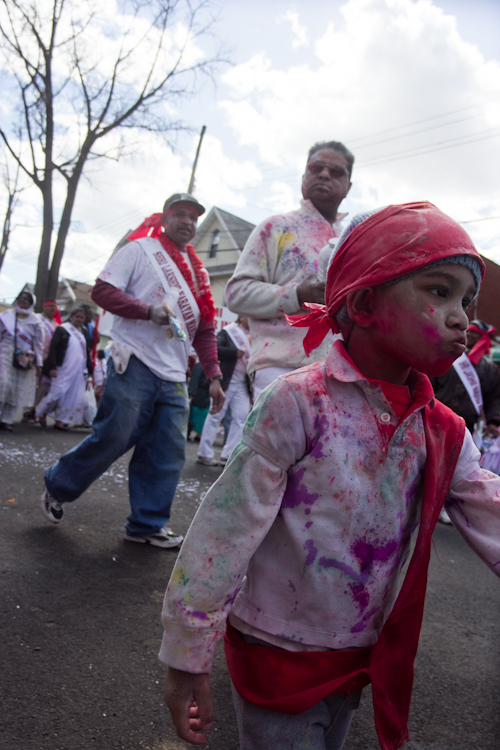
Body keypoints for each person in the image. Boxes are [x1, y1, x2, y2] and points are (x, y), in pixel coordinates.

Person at [160, 202, 500, 750]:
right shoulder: (298, 402)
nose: (462, 316)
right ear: (364, 302)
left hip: (362, 652)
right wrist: (187, 650)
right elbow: (224, 532)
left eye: (465, 299)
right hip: (277, 651)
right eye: (439, 291)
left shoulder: (443, 429)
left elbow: (490, 509)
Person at [40, 193, 224, 549]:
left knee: (167, 451)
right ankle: (57, 485)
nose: (188, 222)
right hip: (135, 358)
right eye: (180, 214)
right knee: (114, 435)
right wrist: (146, 310)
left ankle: (146, 524)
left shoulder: (199, 274)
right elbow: (102, 291)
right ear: (165, 218)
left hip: (173, 374)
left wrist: (214, 376)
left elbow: (204, 330)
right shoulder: (140, 251)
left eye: (194, 217)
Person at [226, 140, 353, 399]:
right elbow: (236, 294)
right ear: (304, 176)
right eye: (316, 167)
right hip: (280, 371)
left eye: (336, 171)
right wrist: (297, 295)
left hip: (342, 379)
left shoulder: (351, 242)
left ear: (348, 187)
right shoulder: (276, 228)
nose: (325, 174)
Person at [197, 317, 252, 466]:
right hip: (225, 381)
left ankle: (228, 456)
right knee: (215, 416)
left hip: (242, 384)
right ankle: (204, 453)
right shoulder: (228, 331)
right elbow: (214, 349)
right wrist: (234, 352)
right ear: (242, 317)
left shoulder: (254, 333)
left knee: (240, 419)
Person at [35, 307, 93, 430]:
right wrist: (52, 367)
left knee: (71, 395)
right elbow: (54, 349)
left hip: (78, 369)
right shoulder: (63, 329)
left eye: (81, 317)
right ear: (71, 317)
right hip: (63, 367)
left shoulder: (83, 332)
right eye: (77, 316)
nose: (79, 319)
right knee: (58, 392)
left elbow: (86, 352)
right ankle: (42, 412)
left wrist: (89, 369)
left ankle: (60, 421)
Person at [0, 291, 44, 431]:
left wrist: (39, 364)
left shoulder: (36, 320)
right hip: (5, 352)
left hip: (25, 357)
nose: (23, 300)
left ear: (32, 302)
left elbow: (38, 343)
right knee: (3, 383)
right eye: (21, 298)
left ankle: (5, 420)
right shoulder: (7, 316)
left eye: (27, 299)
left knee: (16, 389)